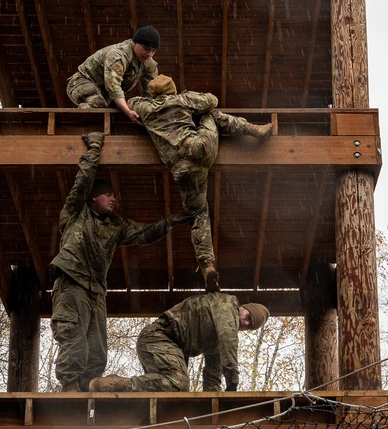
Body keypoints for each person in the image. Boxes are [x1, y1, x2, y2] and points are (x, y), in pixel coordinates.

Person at [50, 132, 186, 391]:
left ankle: (87, 389)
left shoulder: (116, 226)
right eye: (108, 195)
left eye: (114, 195)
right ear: (94, 198)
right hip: (71, 283)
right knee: (74, 340)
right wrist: (94, 147)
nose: (113, 199)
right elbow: (83, 179)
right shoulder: (75, 213)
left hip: (96, 291)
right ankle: (69, 389)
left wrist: (171, 222)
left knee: (98, 350)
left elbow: (144, 233)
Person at [132, 75, 271, 292]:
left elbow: (131, 103)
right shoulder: (183, 100)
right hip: (201, 150)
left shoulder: (144, 107)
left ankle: (207, 265)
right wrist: (188, 101)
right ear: (173, 90)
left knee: (198, 214)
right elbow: (211, 100)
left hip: (182, 170)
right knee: (212, 115)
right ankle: (253, 129)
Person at [89, 294, 270, 394]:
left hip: (169, 348)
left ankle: (117, 388)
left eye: (250, 326)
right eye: (248, 317)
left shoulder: (217, 341)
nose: (246, 323)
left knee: (174, 393)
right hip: (157, 337)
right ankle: (114, 385)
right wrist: (232, 384)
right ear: (243, 308)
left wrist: (215, 406)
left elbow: (212, 377)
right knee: (179, 383)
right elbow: (229, 341)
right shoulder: (226, 305)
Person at [66, 26, 161, 124]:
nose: (149, 54)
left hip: (106, 94)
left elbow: (152, 92)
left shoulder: (149, 64)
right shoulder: (117, 55)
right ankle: (75, 126)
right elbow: (113, 88)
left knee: (118, 115)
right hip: (82, 82)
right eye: (146, 48)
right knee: (98, 103)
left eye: (153, 51)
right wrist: (128, 111)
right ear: (134, 43)